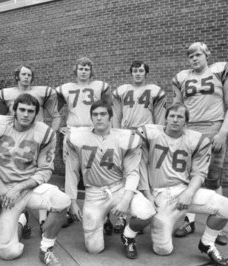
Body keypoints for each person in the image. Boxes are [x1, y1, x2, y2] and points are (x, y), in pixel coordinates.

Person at [137, 103, 228, 266]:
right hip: (161, 194)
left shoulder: (196, 139)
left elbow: (199, 173)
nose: (175, 120)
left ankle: (207, 243)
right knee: (163, 250)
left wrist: (189, 193)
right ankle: (162, 223)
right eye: (172, 116)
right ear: (166, 118)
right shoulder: (150, 133)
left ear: (186, 122)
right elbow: (138, 161)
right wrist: (147, 195)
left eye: (180, 117)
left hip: (185, 190)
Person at [0, 93, 71, 265]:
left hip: (28, 188)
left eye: (31, 111)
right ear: (14, 110)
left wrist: (19, 188)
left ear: (36, 114)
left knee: (62, 200)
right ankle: (21, 220)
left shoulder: (45, 133)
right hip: (3, 192)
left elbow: (45, 170)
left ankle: (46, 249)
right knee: (9, 253)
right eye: (22, 110)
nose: (26, 114)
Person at [65, 100, 156, 259]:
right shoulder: (77, 137)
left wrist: (125, 199)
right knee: (94, 249)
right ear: (91, 117)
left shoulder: (126, 138)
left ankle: (128, 236)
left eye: (103, 114)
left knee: (147, 211)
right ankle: (103, 218)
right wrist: (72, 202)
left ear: (110, 117)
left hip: (118, 188)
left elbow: (133, 173)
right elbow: (71, 171)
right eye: (95, 114)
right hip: (93, 192)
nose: (99, 118)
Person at [172, 42, 228, 245]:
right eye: (190, 55)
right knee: (186, 178)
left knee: (213, 179)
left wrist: (223, 132)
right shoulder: (182, 78)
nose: (194, 58)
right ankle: (189, 221)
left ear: (206, 55)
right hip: (189, 130)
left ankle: (215, 229)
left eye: (198, 54)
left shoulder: (221, 71)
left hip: (213, 129)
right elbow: (178, 108)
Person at [0, 65, 61, 228]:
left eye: (29, 75)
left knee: (40, 174)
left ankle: (42, 217)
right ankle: (16, 214)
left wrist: (50, 134)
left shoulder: (43, 92)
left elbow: (55, 115)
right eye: (23, 74)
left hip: (37, 138)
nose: (26, 77)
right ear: (17, 76)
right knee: (12, 174)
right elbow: (1, 116)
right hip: (14, 138)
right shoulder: (5, 94)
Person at [56, 57, 112, 230]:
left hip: (92, 130)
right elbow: (54, 109)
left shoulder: (100, 86)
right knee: (70, 172)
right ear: (76, 70)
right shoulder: (65, 88)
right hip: (73, 130)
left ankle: (106, 215)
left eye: (87, 68)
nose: (84, 71)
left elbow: (109, 109)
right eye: (81, 68)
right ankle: (68, 210)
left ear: (91, 70)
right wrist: (60, 127)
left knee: (99, 170)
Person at [111, 60, 167, 233]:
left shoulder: (155, 91)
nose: (137, 73)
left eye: (141, 71)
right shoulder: (121, 90)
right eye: (135, 70)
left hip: (145, 136)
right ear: (131, 73)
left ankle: (141, 214)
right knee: (124, 175)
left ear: (146, 73)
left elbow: (160, 118)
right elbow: (116, 116)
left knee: (143, 176)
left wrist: (158, 137)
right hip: (126, 136)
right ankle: (121, 217)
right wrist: (116, 136)